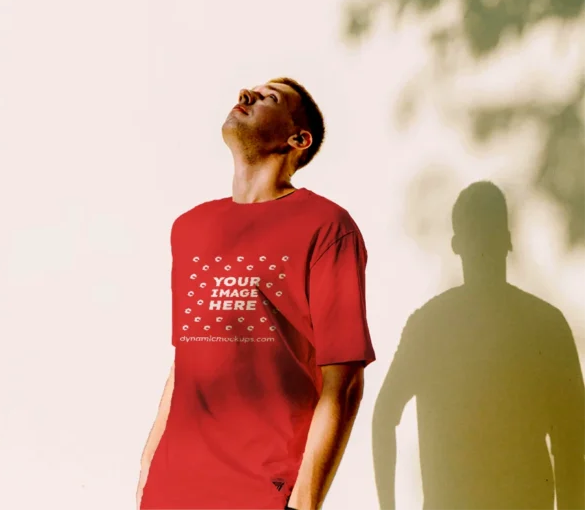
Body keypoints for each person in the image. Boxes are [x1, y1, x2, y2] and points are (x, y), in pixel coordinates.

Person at [137, 76, 376, 510]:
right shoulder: (190, 228)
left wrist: (305, 502)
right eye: (248, 91)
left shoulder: (326, 227)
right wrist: (147, 473)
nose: (245, 96)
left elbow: (343, 381)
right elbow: (185, 364)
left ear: (297, 139)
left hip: (261, 492)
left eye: (269, 98)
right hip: (171, 489)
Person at [372, 181, 585, 510]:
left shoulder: (429, 324)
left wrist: (388, 507)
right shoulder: (546, 325)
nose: (484, 244)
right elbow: (571, 444)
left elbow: (384, 416)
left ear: (457, 245)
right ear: (509, 241)